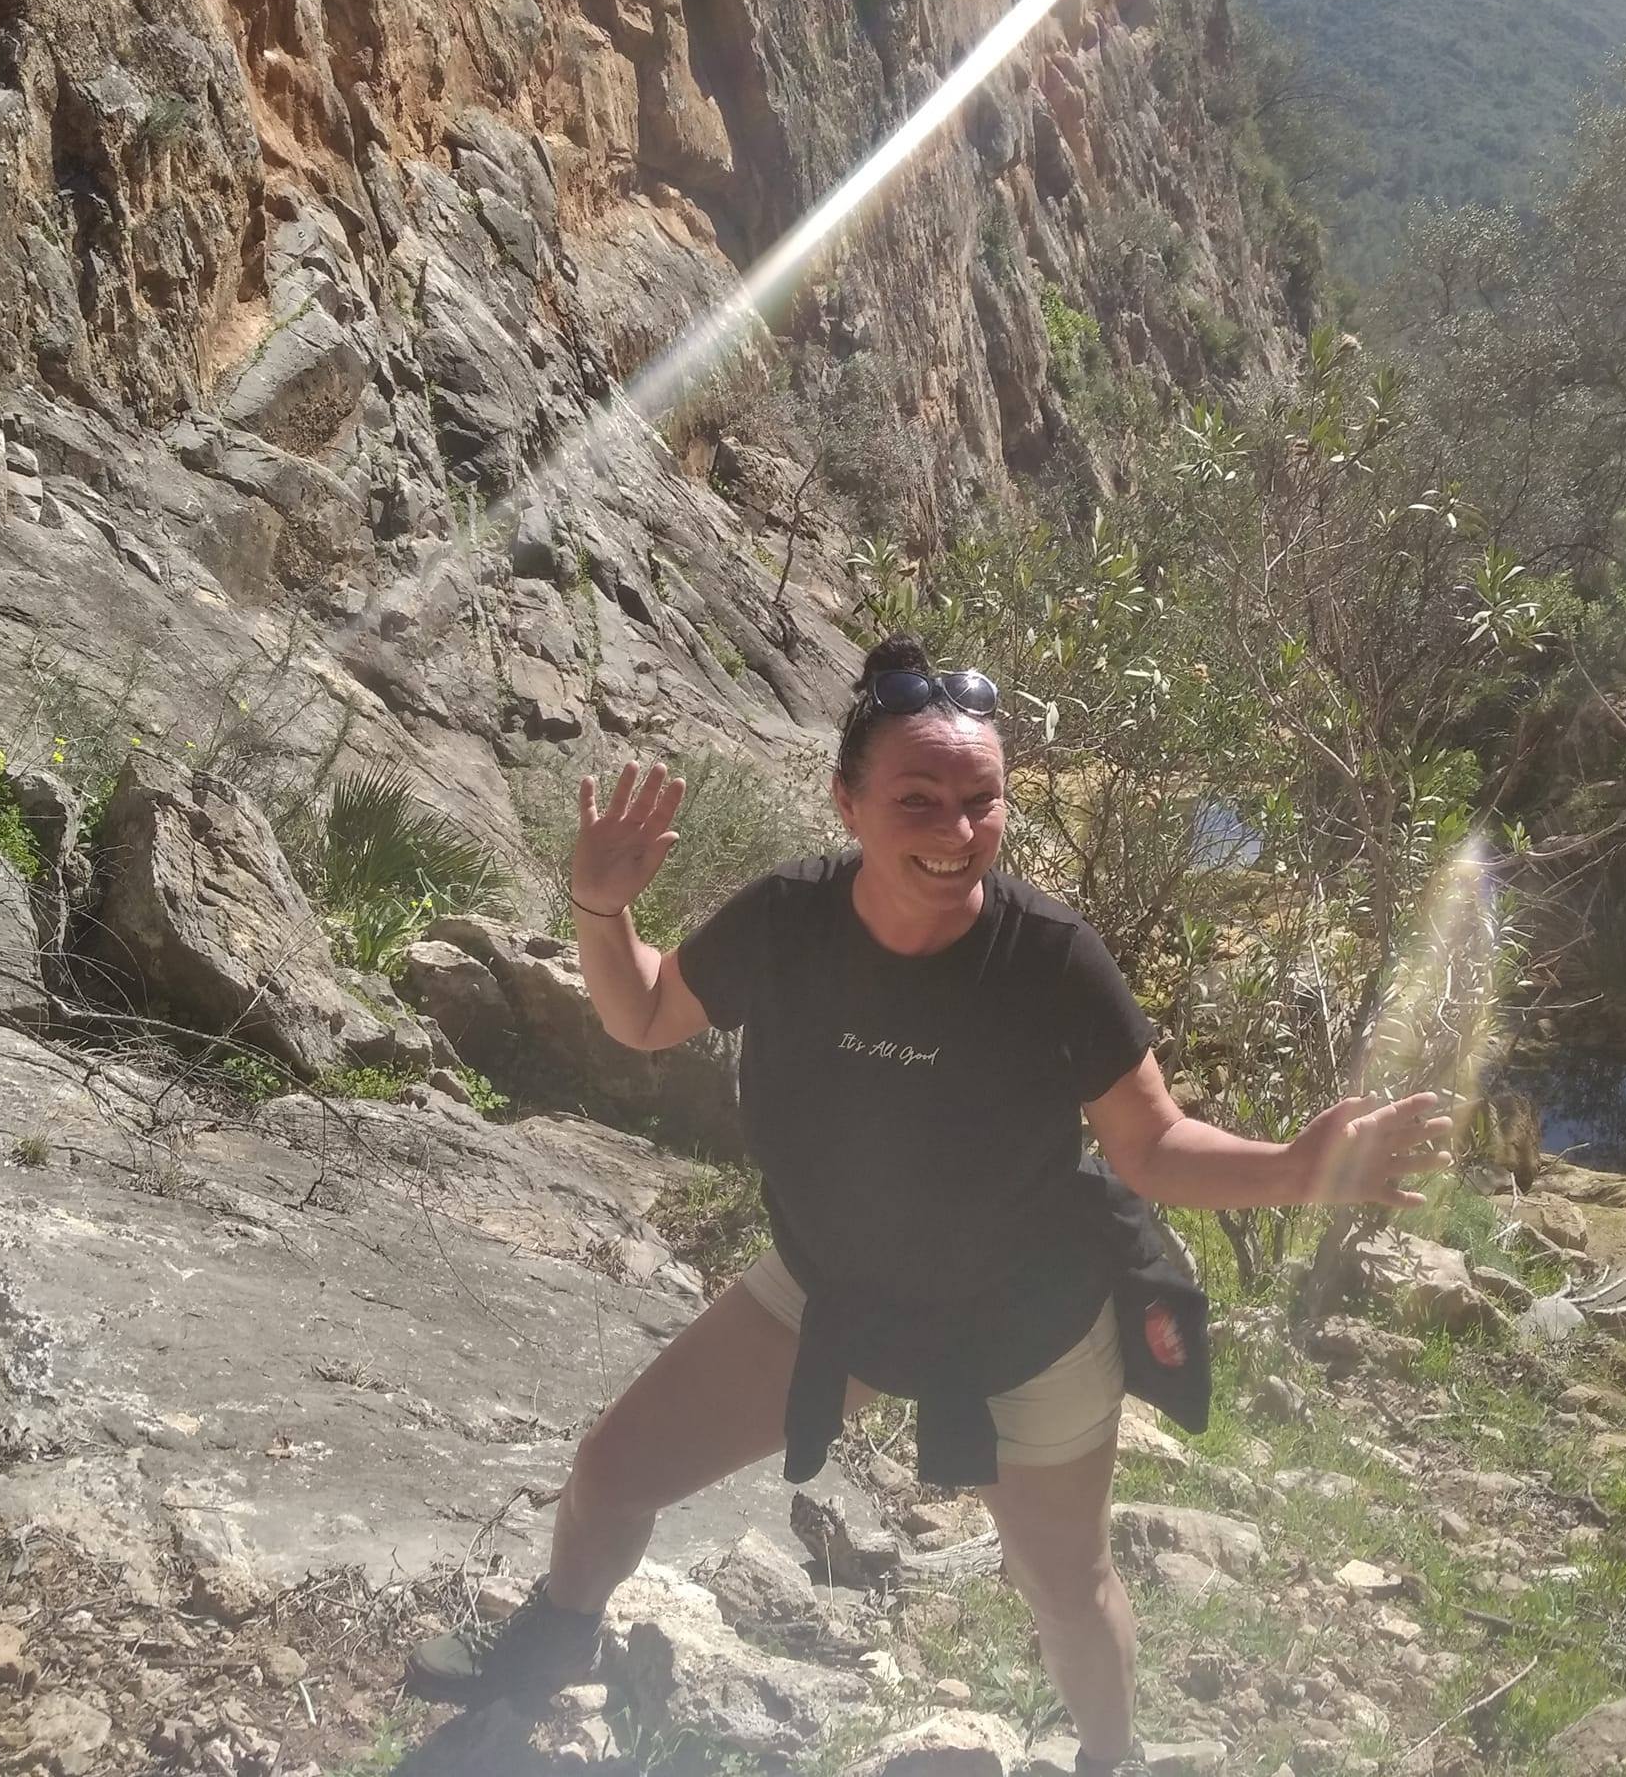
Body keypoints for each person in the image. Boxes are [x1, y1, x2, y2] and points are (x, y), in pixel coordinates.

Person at [406, 634, 1451, 1770]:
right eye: (918, 798)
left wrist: (1295, 1166)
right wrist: (600, 912)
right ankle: (553, 1641)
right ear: (846, 802)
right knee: (612, 1475)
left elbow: (1150, 1143)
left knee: (1064, 1583)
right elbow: (646, 1014)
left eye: (980, 800)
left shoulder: (1050, 958)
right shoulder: (787, 918)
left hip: (1028, 1327)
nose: (956, 830)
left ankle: (1110, 1757)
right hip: (831, 1290)